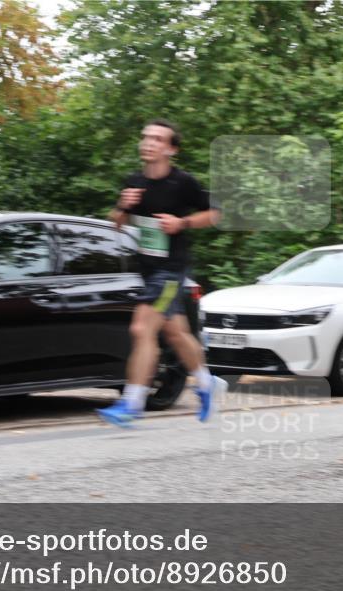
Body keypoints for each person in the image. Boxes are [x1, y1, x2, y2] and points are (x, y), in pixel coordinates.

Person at [96, 119, 227, 427]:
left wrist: (182, 223)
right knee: (176, 333)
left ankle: (132, 402)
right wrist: (122, 207)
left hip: (171, 270)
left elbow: (217, 214)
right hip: (148, 269)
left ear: (171, 149)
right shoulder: (134, 181)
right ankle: (207, 383)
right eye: (145, 137)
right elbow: (116, 223)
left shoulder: (182, 183)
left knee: (141, 328)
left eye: (157, 139)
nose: (148, 142)